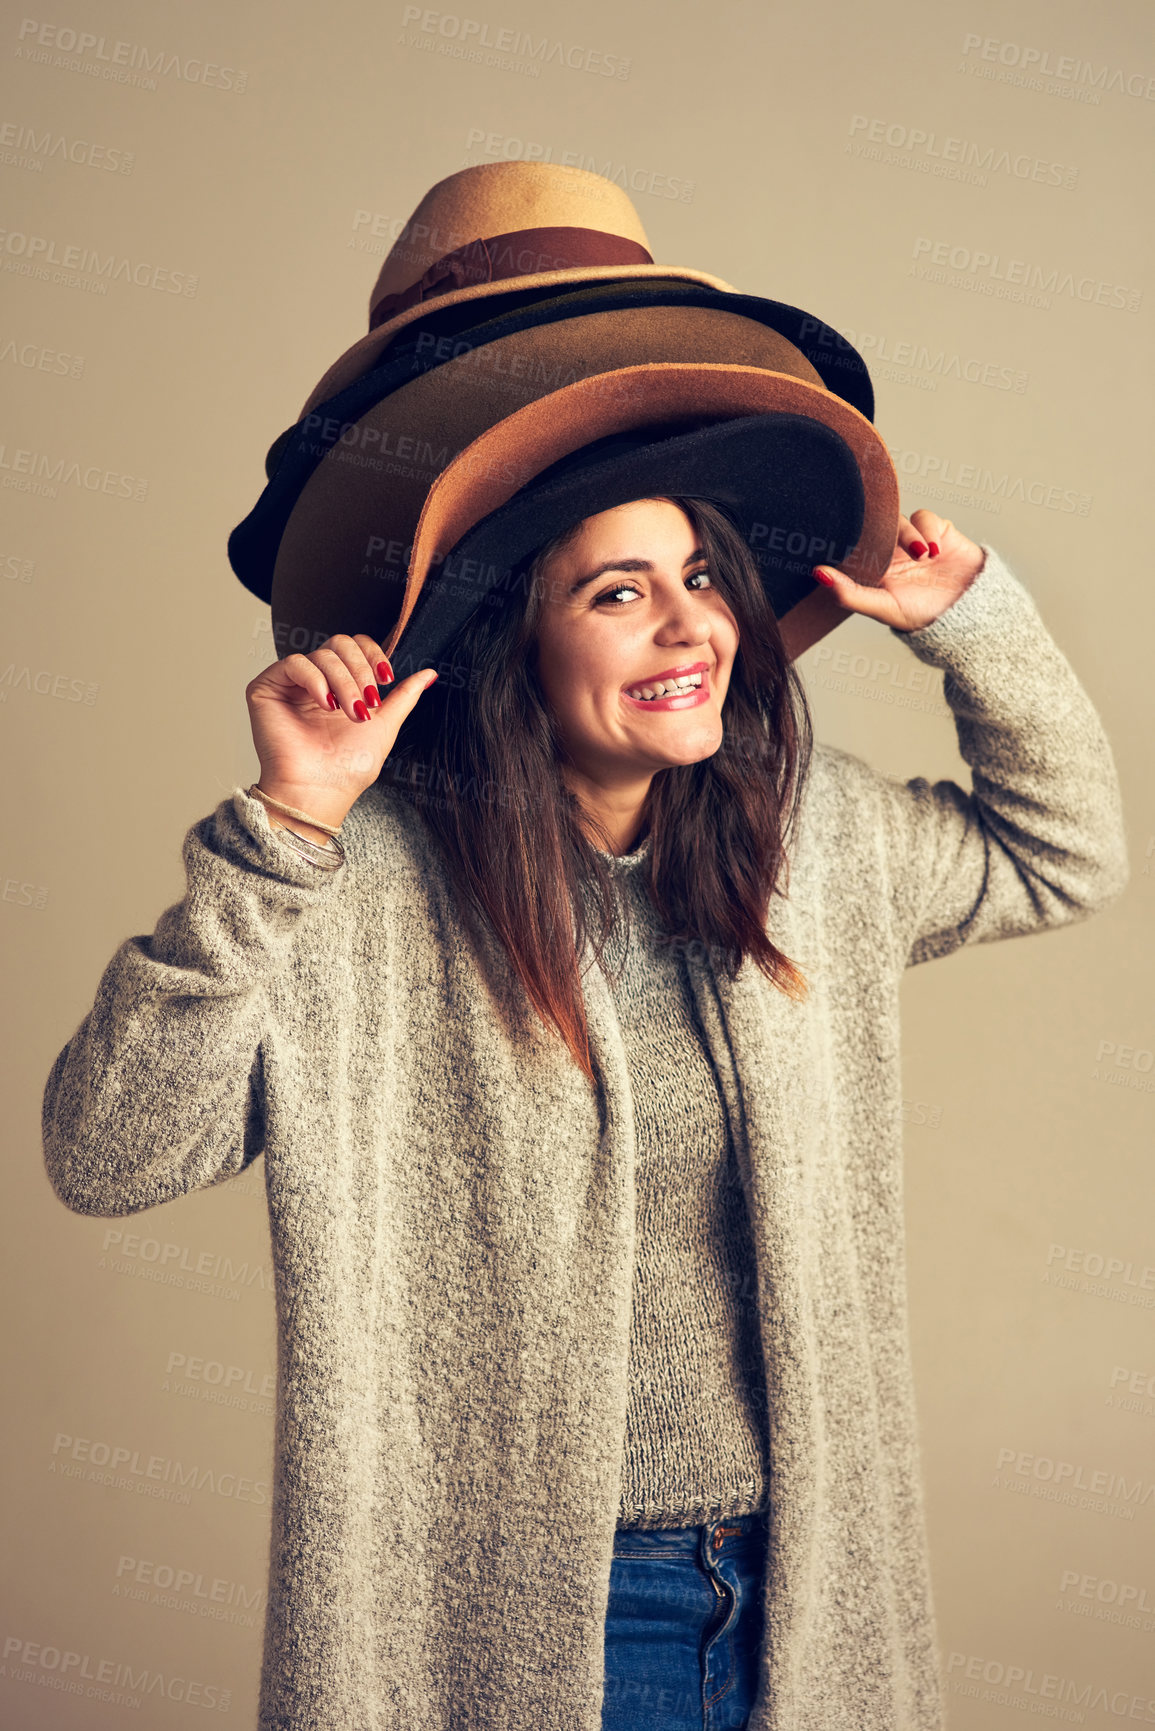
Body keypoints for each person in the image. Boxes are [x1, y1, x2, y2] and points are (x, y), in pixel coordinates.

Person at [42, 478, 1128, 1731]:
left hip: (807, 1588)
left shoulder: (812, 839)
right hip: (542, 1616)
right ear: (516, 644)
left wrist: (975, 621)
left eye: (702, 578)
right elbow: (110, 1149)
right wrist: (286, 828)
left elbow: (1067, 852)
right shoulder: (363, 884)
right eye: (621, 593)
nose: (692, 627)